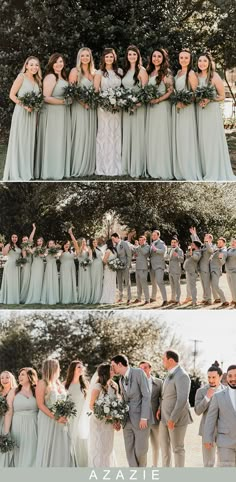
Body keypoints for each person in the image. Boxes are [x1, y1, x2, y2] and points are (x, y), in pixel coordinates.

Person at [197, 53, 235, 181]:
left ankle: (214, 170)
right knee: (201, 140)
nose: (202, 63)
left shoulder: (214, 76)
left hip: (211, 112)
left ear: (209, 63)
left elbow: (222, 96)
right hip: (199, 112)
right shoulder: (196, 76)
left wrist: (210, 99)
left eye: (204, 61)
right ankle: (203, 168)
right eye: (200, 61)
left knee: (211, 140)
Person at [3, 56, 42, 181]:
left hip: (32, 115)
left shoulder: (37, 81)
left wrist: (35, 107)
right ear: (26, 65)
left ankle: (27, 171)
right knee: (20, 140)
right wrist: (25, 106)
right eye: (31, 64)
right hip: (21, 113)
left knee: (29, 141)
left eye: (36, 65)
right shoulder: (21, 77)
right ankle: (17, 171)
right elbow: (12, 95)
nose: (34, 67)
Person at [111, 354, 152, 467]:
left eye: (113, 365)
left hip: (140, 419)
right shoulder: (120, 380)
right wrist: (119, 419)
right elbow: (124, 400)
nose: (112, 368)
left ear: (120, 364)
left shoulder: (138, 373)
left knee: (140, 451)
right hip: (127, 420)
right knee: (129, 450)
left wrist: (144, 417)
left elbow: (146, 396)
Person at [35, 53, 71, 180]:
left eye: (61, 61)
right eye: (56, 62)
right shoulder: (51, 77)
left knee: (59, 141)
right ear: (52, 64)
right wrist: (63, 102)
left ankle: (58, 168)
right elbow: (45, 97)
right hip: (52, 113)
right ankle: (50, 171)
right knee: (53, 141)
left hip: (62, 113)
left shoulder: (63, 77)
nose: (59, 64)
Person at [35, 359, 74, 467]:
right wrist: (56, 417)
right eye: (59, 367)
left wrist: (66, 413)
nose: (60, 369)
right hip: (48, 419)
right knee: (50, 445)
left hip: (62, 420)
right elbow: (40, 404)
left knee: (62, 446)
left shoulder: (58, 384)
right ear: (53, 368)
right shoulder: (42, 383)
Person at [159, 349, 193, 467]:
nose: (162, 361)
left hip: (176, 419)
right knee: (164, 449)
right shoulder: (169, 374)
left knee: (177, 449)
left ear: (171, 360)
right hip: (164, 417)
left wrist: (172, 419)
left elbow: (182, 399)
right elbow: (165, 395)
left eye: (164, 359)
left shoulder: (182, 375)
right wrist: (160, 408)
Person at [172, 49, 202, 180]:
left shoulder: (191, 73)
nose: (183, 60)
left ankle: (188, 169)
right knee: (178, 137)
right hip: (176, 109)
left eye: (186, 58)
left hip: (187, 109)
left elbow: (196, 94)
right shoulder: (178, 73)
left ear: (190, 60)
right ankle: (179, 167)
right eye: (181, 57)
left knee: (186, 137)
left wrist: (184, 103)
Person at [146, 48, 174, 179]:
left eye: (159, 56)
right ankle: (153, 166)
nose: (156, 58)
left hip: (162, 107)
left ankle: (163, 168)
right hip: (151, 110)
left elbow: (170, 91)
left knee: (162, 137)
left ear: (163, 59)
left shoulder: (166, 73)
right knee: (153, 137)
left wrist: (157, 100)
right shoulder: (149, 72)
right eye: (154, 56)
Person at [94, 48, 122, 176]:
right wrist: (105, 102)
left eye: (111, 57)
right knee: (105, 134)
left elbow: (123, 90)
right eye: (107, 57)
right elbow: (96, 91)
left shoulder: (119, 72)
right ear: (103, 58)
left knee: (116, 134)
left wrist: (119, 101)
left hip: (117, 109)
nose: (109, 59)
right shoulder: (99, 73)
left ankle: (116, 164)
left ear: (114, 58)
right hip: (104, 109)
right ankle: (104, 166)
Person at [69, 47, 96, 177]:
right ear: (79, 58)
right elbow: (72, 92)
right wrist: (83, 103)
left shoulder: (94, 72)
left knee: (90, 134)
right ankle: (78, 165)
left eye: (87, 55)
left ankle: (89, 166)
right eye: (83, 56)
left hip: (91, 108)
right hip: (79, 108)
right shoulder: (75, 71)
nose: (85, 58)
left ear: (90, 57)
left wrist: (91, 102)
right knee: (80, 134)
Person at [121, 45, 148, 177]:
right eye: (130, 54)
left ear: (138, 56)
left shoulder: (141, 71)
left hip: (138, 107)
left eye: (134, 54)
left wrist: (137, 103)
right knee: (128, 134)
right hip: (126, 107)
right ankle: (126, 164)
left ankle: (137, 166)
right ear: (127, 56)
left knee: (137, 135)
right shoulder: (125, 71)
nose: (132, 56)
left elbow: (145, 91)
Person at [4, 367, 38, 466]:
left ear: (30, 376)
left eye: (23, 374)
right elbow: (9, 412)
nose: (19, 377)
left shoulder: (36, 391)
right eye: (19, 375)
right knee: (19, 451)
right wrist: (6, 432)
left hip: (34, 425)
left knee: (33, 451)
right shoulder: (14, 391)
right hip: (18, 426)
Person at [203, 364, 236, 467]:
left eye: (235, 375)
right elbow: (210, 419)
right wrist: (207, 438)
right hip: (225, 442)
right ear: (226, 377)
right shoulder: (218, 396)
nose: (233, 379)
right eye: (230, 376)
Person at [88, 363, 119, 467]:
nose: (113, 370)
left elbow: (116, 405)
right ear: (105, 372)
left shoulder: (114, 386)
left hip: (109, 422)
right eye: (111, 369)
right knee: (98, 447)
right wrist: (104, 414)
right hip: (98, 421)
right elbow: (91, 405)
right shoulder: (98, 387)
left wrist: (116, 420)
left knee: (108, 447)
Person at [194, 361, 225, 467]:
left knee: (224, 464)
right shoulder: (201, 391)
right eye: (209, 377)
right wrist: (207, 397)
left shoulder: (227, 391)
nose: (211, 380)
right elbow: (197, 411)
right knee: (208, 464)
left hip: (224, 433)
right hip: (208, 433)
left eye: (213, 377)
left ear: (220, 377)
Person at [65, 360, 89, 466]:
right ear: (73, 369)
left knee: (82, 441)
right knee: (71, 441)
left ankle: (83, 464)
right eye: (79, 367)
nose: (81, 369)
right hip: (70, 418)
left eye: (82, 367)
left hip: (82, 417)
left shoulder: (85, 384)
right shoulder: (66, 385)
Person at [139, 360, 163, 466]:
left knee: (156, 446)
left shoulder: (159, 382)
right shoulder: (137, 382)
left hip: (156, 420)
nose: (143, 370)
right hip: (142, 420)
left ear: (150, 368)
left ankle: (154, 466)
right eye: (141, 368)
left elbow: (162, 398)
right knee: (142, 446)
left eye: (145, 367)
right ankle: (142, 467)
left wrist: (160, 408)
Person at [190, 227, 214, 305]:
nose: (204, 238)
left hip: (206, 269)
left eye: (206, 237)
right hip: (200, 269)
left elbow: (210, 251)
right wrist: (194, 234)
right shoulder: (204, 246)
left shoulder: (210, 246)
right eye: (204, 237)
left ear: (210, 239)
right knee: (203, 285)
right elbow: (198, 242)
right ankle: (205, 298)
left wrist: (206, 242)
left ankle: (209, 300)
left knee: (207, 285)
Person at [69, 228, 92, 304]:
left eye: (85, 241)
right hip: (82, 268)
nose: (84, 243)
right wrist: (71, 234)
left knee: (88, 281)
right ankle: (82, 296)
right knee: (83, 281)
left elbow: (90, 257)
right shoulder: (78, 249)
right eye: (82, 241)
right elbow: (75, 242)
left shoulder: (88, 248)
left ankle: (88, 296)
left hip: (87, 267)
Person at [0, 371, 17, 467]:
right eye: (2, 378)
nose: (4, 380)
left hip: (8, 421)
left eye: (7, 377)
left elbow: (10, 411)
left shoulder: (14, 391)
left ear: (11, 379)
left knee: (5, 444)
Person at [111, 233, 132, 304]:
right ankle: (120, 297)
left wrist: (128, 265)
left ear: (117, 237)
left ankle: (129, 298)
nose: (113, 240)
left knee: (127, 282)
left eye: (113, 239)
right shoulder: (115, 245)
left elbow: (129, 255)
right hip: (118, 267)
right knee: (119, 282)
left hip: (125, 266)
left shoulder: (125, 243)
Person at [0, 234, 21, 304]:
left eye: (16, 237)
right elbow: (4, 253)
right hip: (10, 265)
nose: (14, 238)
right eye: (13, 237)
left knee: (15, 282)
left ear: (17, 238)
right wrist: (2, 246)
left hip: (16, 266)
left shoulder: (18, 246)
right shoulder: (9, 245)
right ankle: (9, 299)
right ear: (11, 238)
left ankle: (15, 299)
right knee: (10, 282)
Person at [25, 237, 46, 304]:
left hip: (40, 265)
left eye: (40, 241)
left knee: (39, 279)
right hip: (34, 265)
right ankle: (32, 296)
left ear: (42, 242)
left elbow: (44, 255)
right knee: (34, 279)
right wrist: (27, 247)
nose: (39, 242)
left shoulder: (44, 249)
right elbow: (29, 251)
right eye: (38, 241)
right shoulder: (34, 248)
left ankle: (39, 297)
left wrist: (38, 253)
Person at [149, 230, 167, 306]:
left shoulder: (161, 243)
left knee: (160, 282)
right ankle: (153, 297)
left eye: (154, 235)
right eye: (152, 235)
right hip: (152, 266)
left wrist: (156, 249)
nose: (153, 236)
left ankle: (165, 300)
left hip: (159, 265)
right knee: (153, 283)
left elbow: (163, 251)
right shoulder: (152, 243)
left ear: (158, 236)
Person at [20, 223, 36, 304]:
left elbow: (31, 237)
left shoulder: (29, 246)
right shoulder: (23, 248)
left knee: (30, 281)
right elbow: (25, 258)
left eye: (26, 240)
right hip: (27, 265)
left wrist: (34, 228)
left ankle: (30, 296)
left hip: (32, 265)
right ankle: (23, 298)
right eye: (24, 240)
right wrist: (27, 250)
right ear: (22, 241)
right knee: (26, 280)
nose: (26, 241)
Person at [210, 237, 228, 306]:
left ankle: (224, 300)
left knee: (216, 286)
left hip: (216, 270)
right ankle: (217, 299)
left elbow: (223, 262)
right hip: (212, 269)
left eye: (220, 242)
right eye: (218, 242)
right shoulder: (218, 249)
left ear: (224, 243)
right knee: (213, 286)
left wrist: (221, 258)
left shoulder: (224, 251)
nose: (218, 243)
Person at [132, 235, 150, 304]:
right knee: (138, 284)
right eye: (140, 240)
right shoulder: (138, 247)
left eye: (142, 240)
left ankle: (147, 299)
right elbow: (135, 254)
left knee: (144, 284)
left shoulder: (147, 247)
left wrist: (138, 248)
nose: (141, 242)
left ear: (145, 240)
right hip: (137, 267)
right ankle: (139, 298)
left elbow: (144, 253)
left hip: (143, 268)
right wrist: (135, 253)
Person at [183, 241, 202, 306]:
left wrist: (191, 253)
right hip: (188, 271)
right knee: (188, 286)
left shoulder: (198, 252)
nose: (191, 245)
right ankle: (189, 298)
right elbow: (187, 257)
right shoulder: (193, 251)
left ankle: (194, 301)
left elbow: (196, 258)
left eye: (192, 244)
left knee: (193, 287)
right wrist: (189, 253)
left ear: (196, 246)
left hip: (192, 272)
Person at [40, 240, 59, 305]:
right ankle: (48, 298)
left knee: (54, 280)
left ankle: (55, 298)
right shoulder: (46, 250)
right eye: (50, 244)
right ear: (48, 245)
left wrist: (56, 254)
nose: (51, 245)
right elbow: (43, 256)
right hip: (49, 266)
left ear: (54, 244)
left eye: (52, 243)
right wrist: (47, 253)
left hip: (54, 266)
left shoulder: (56, 251)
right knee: (48, 280)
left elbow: (57, 257)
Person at [99, 239, 117, 304]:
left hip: (113, 269)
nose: (114, 243)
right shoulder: (108, 251)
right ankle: (106, 298)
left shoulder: (114, 250)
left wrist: (115, 264)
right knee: (107, 282)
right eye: (113, 242)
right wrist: (110, 264)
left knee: (112, 283)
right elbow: (104, 260)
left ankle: (112, 297)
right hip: (108, 269)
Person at [167, 236, 184, 305]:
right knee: (172, 286)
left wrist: (177, 255)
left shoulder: (179, 250)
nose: (173, 244)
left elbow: (182, 260)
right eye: (172, 242)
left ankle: (178, 299)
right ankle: (173, 298)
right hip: (170, 270)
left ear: (177, 243)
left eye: (174, 242)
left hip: (176, 270)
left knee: (177, 285)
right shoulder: (170, 250)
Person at [89, 239, 103, 304]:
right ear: (91, 243)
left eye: (96, 242)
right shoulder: (91, 249)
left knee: (99, 280)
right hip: (94, 266)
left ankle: (100, 296)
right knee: (95, 280)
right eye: (94, 242)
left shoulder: (99, 249)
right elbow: (90, 258)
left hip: (100, 266)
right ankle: (95, 297)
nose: (95, 243)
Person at [225, 237, 236, 307]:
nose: (233, 243)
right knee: (231, 286)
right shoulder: (229, 249)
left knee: (234, 287)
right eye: (233, 242)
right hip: (228, 271)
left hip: (234, 271)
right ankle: (234, 299)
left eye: (235, 242)